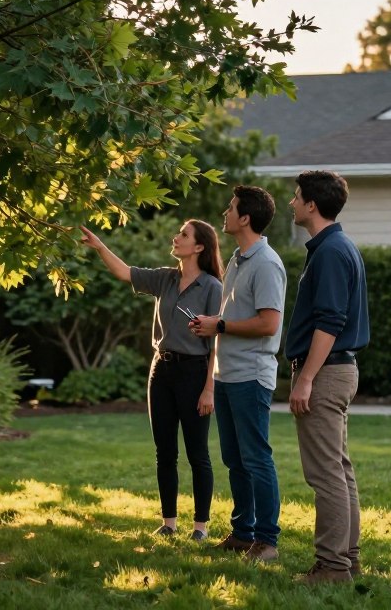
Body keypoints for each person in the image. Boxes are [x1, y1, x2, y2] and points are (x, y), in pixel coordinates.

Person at [80, 220, 223, 541]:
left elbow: (217, 342)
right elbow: (125, 272)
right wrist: (101, 247)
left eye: (183, 235)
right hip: (161, 371)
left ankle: (200, 527)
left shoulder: (213, 287)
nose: (176, 237)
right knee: (165, 452)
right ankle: (169, 522)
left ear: (199, 247)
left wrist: (209, 388)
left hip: (195, 373)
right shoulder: (166, 279)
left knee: (197, 453)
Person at [192, 185, 286, 563]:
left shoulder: (266, 263)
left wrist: (221, 326)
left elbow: (269, 324)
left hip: (251, 375)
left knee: (256, 457)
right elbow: (229, 320)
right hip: (228, 374)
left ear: (245, 217)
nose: (225, 212)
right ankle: (242, 532)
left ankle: (267, 541)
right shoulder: (237, 258)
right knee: (235, 458)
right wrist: (215, 328)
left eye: (231, 208)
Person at [285, 170, 370, 585]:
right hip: (336, 369)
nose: (291, 203)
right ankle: (348, 560)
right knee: (338, 469)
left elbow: (330, 322)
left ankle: (333, 566)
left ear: (312, 205)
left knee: (325, 474)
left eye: (297, 196)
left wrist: (306, 379)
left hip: (328, 371)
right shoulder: (333, 246)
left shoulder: (332, 251)